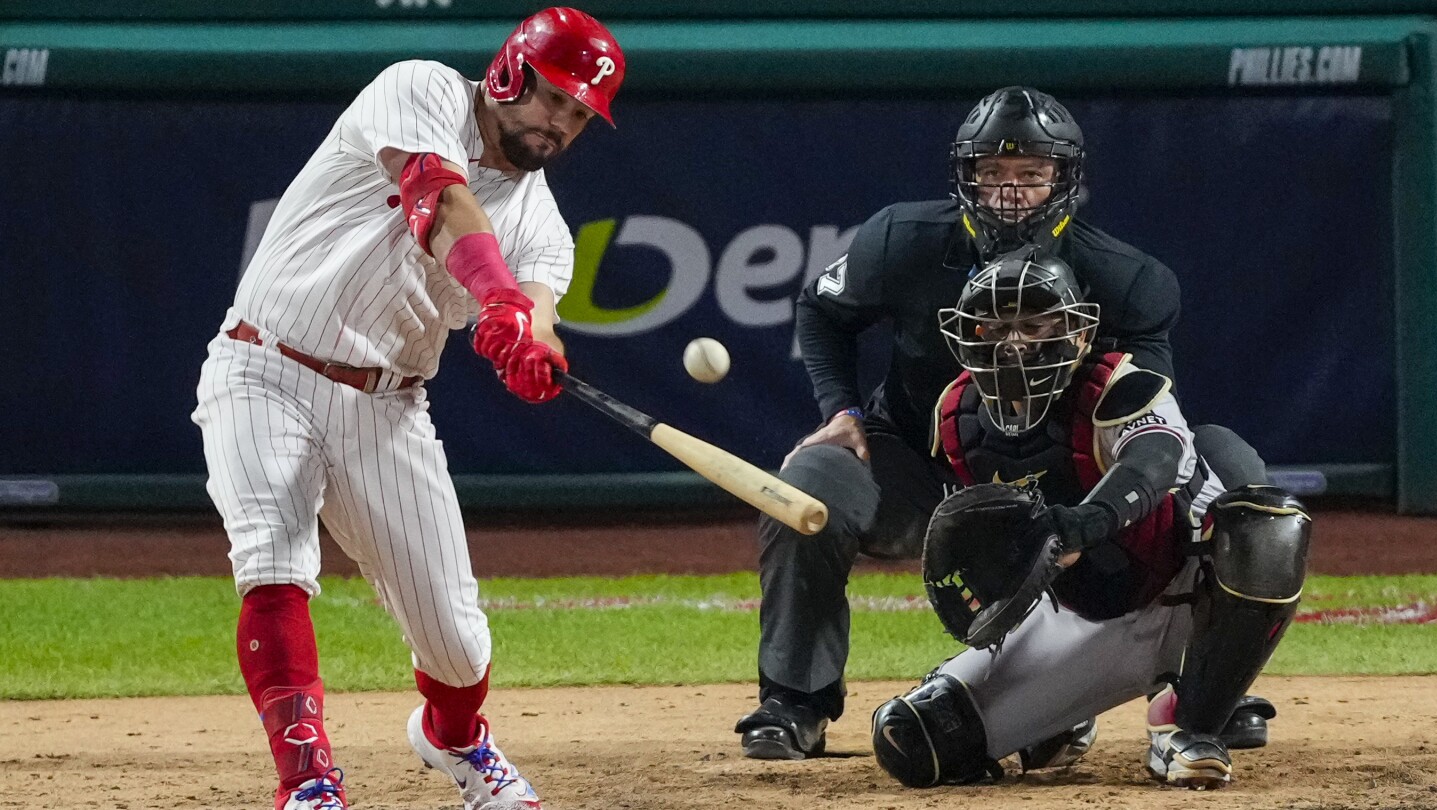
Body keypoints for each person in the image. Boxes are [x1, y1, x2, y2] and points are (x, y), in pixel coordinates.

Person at [735, 85, 1271, 761]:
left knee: (1232, 475)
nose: (1010, 192)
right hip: (925, 465)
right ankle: (794, 703)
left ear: (1064, 180)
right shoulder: (901, 240)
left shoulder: (1129, 281)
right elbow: (822, 309)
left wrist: (1089, 516)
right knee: (808, 481)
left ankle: (1211, 687)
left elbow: (1156, 427)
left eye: (1030, 174)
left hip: (1063, 481)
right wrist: (839, 411)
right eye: (992, 173)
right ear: (966, 178)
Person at [190, 9, 624, 809]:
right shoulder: (421, 88)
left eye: (578, 115)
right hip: (263, 364)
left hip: (386, 406)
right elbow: (436, 193)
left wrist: (532, 348)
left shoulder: (541, 221)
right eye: (553, 98)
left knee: (458, 646)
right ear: (510, 73)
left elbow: (538, 308)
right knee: (274, 561)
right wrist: (493, 298)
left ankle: (455, 738)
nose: (559, 124)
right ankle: (309, 783)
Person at [870, 250, 1309, 790]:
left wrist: (1083, 523)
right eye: (996, 327)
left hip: (1180, 590)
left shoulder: (1123, 384)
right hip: (1084, 613)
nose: (1014, 344)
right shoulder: (956, 414)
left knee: (1269, 528)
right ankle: (1064, 719)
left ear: (1078, 335)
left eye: (1034, 324)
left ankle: (1191, 723)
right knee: (912, 739)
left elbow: (1154, 462)